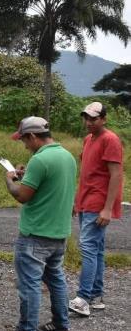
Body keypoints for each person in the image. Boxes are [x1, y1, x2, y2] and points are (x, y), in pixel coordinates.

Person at [4, 116, 77, 331]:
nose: (24, 145)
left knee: (30, 285)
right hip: (59, 232)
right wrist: (27, 176)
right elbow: (49, 187)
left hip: (35, 234)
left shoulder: (40, 160)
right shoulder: (67, 157)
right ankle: (60, 325)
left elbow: (22, 196)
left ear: (33, 136)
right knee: (56, 279)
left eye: (25, 139)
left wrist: (11, 180)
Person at [69, 102, 124, 317]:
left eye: (93, 118)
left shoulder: (110, 140)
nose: (89, 122)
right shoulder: (88, 139)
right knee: (97, 249)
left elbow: (116, 175)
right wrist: (76, 199)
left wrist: (108, 208)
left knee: (88, 247)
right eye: (86, 118)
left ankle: (83, 299)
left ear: (103, 119)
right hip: (86, 199)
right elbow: (86, 172)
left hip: (98, 203)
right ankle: (96, 295)